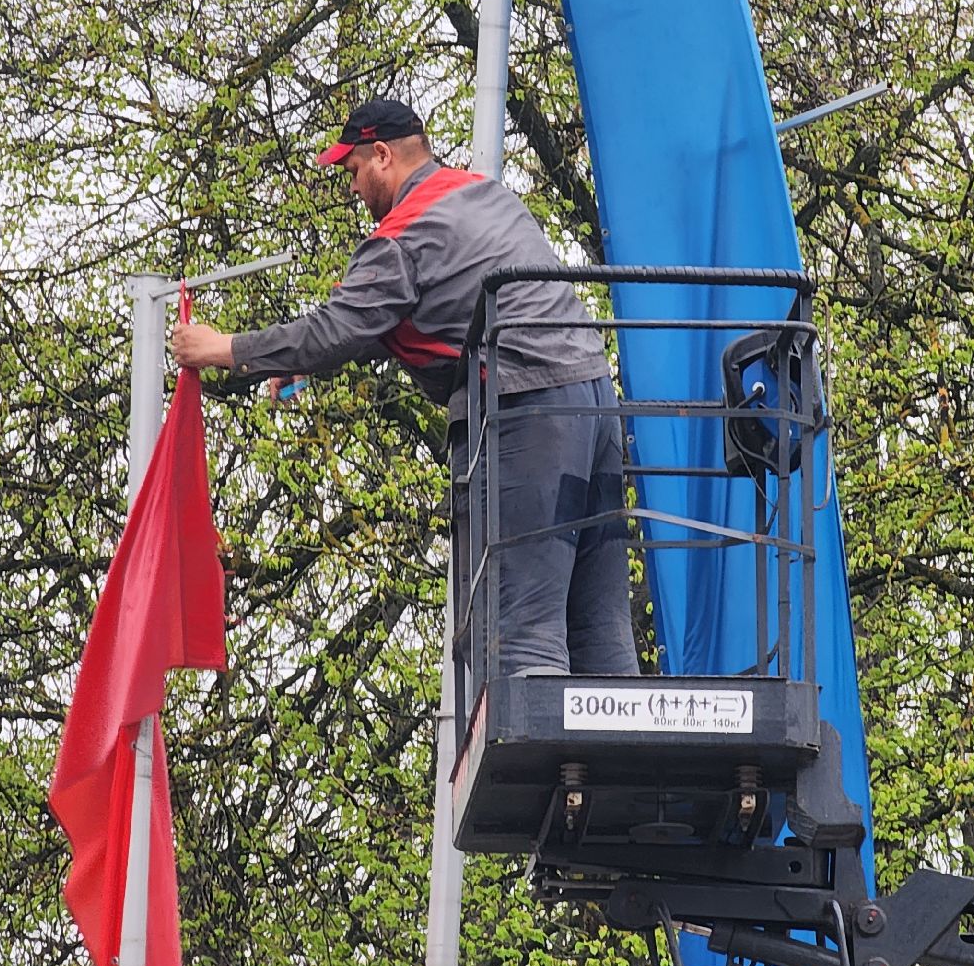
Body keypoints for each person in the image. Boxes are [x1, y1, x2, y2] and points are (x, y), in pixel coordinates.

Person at [171, 99, 635, 678]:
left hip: (523, 409)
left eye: (352, 171)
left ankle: (541, 768)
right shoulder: (486, 197)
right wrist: (313, 362)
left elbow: (336, 328)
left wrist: (224, 349)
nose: (352, 190)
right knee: (599, 623)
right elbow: (421, 305)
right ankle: (623, 765)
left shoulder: (400, 236)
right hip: (593, 398)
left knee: (518, 628)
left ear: (383, 156)